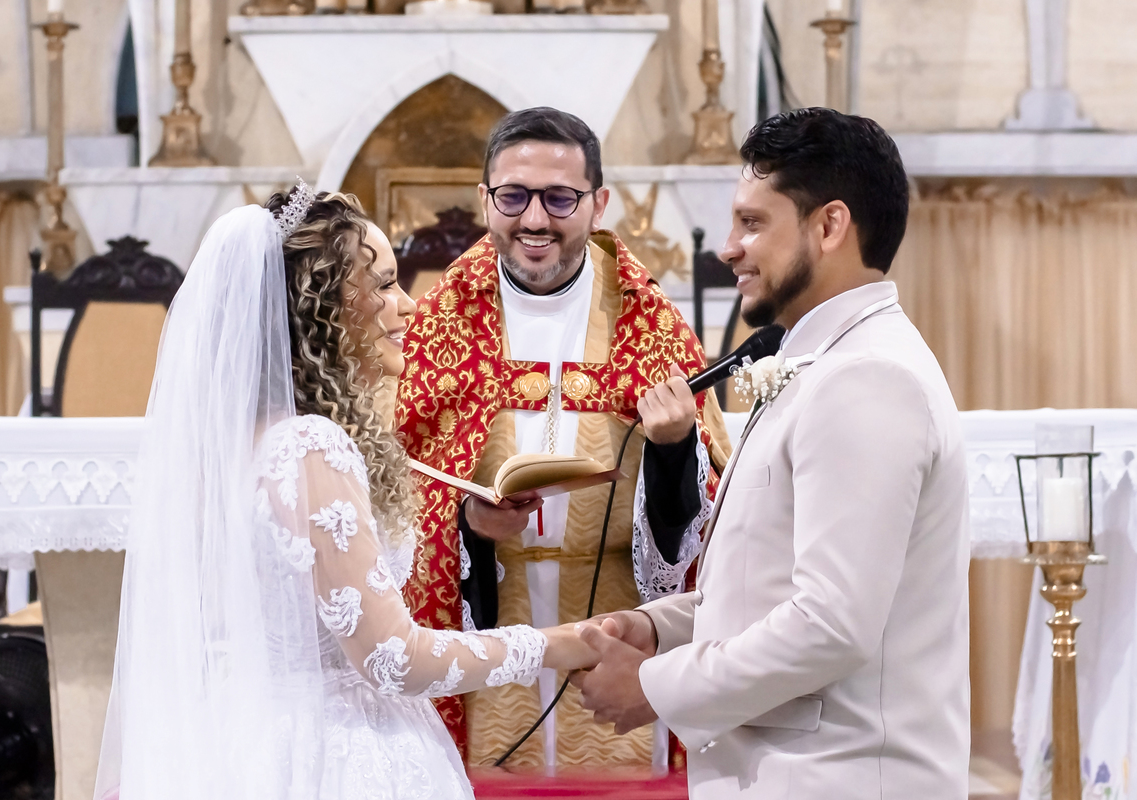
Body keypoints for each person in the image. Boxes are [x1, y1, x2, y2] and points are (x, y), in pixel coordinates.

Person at [92, 185, 598, 800]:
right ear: (322, 308)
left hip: (256, 735)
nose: (409, 306)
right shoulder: (308, 446)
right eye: (384, 284)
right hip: (335, 751)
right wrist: (560, 643)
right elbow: (394, 657)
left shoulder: (239, 441)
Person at [571, 108, 971, 799]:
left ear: (830, 225)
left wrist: (655, 686)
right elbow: (770, 585)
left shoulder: (867, 379)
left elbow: (830, 624)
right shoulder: (824, 364)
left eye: (753, 223)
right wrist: (657, 629)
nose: (729, 248)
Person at [395, 107, 731, 769]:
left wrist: (671, 449)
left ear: (598, 204)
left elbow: (713, 511)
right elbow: (393, 493)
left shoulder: (649, 323)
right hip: (487, 646)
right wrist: (468, 526)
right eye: (513, 197)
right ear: (485, 199)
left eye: (559, 198)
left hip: (619, 638)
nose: (535, 220)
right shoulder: (438, 325)